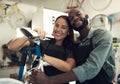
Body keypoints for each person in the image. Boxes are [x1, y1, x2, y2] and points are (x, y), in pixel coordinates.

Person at [29, 8, 115, 84]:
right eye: (71, 18)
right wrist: (34, 32)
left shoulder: (102, 35)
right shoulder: (76, 43)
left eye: (78, 14)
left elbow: (91, 68)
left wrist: (49, 80)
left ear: (86, 16)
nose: (75, 18)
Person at [8, 15, 76, 83]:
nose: (58, 29)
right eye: (56, 25)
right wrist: (31, 33)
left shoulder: (70, 48)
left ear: (69, 31)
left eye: (63, 27)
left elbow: (69, 67)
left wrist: (42, 56)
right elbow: (12, 47)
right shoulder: (44, 43)